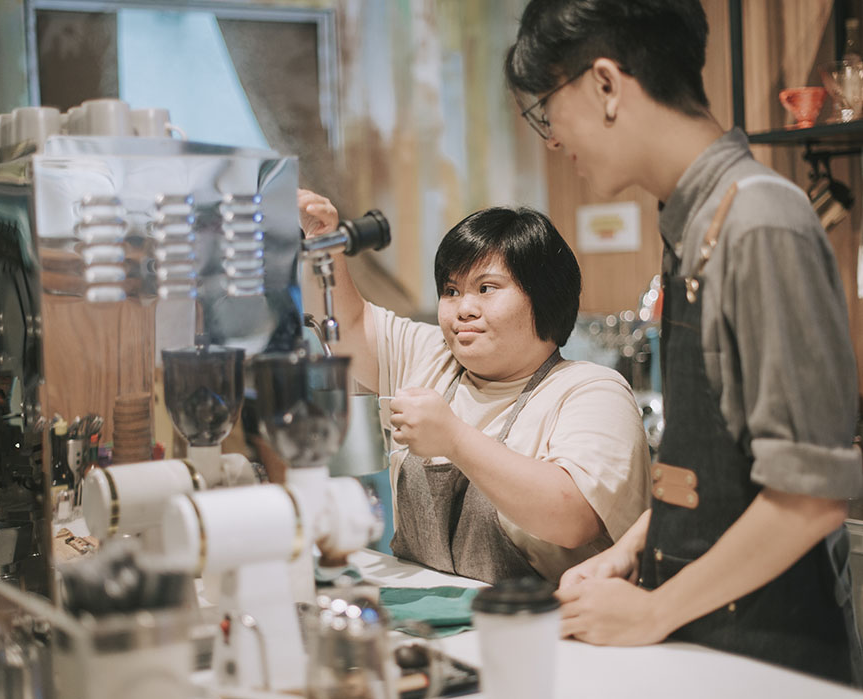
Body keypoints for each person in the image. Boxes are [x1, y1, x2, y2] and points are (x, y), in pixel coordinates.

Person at [505, 0, 863, 685]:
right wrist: (640, 544)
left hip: (770, 661)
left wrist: (650, 612)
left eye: (548, 107)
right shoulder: (691, 221)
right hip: (709, 647)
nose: (551, 139)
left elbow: (809, 497)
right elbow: (722, 469)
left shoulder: (758, 221)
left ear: (607, 84)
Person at [299, 190, 650, 584]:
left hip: (545, 627)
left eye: (486, 288)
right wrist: (320, 241)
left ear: (544, 297)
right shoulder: (431, 356)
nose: (463, 308)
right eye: (451, 291)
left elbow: (573, 517)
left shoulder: (592, 390)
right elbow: (345, 321)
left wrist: (454, 439)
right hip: (426, 620)